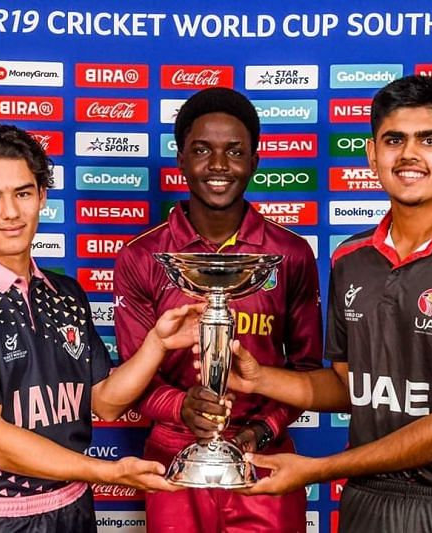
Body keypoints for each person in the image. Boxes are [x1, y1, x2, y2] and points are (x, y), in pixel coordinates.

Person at [227, 75, 432, 533]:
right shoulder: (351, 259)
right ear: (373, 156)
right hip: (368, 500)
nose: (409, 154)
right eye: (394, 140)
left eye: (429, 140)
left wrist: (319, 469)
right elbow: (353, 388)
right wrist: (260, 378)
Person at [0, 122, 202, 533]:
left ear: (42, 196)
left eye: (23, 193)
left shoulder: (65, 293)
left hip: (75, 507)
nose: (11, 212)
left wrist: (157, 343)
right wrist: (107, 472)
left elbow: (104, 402)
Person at [112, 87, 323, 533]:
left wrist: (262, 430)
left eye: (234, 151)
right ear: (182, 159)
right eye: (202, 151)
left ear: (255, 159)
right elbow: (132, 377)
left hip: (263, 459)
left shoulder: (291, 254)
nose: (219, 166)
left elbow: (307, 371)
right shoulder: (140, 256)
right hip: (172, 459)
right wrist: (180, 407)